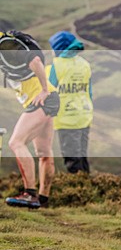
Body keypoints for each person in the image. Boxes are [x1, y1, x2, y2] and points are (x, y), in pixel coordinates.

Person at [0, 30, 60, 209]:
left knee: (16, 142)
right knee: (44, 152)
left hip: (42, 98)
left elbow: (35, 61)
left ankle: (30, 194)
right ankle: (43, 198)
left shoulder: (5, 45)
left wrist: (43, 90)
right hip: (48, 98)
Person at [47, 31, 93, 174]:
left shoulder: (55, 66)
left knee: (72, 159)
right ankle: (88, 187)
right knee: (81, 156)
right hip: (84, 115)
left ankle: (78, 191)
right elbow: (89, 91)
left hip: (66, 118)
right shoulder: (84, 64)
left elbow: (47, 91)